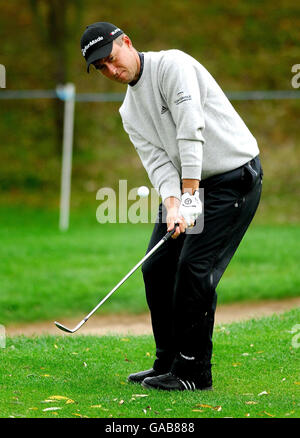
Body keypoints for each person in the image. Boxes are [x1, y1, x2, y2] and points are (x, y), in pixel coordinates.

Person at [80, 22, 263, 391]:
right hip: (189, 186)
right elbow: (159, 163)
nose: (112, 71)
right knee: (158, 266)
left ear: (127, 43)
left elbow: (190, 128)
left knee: (194, 269)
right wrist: (174, 204)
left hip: (233, 178)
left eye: (112, 59)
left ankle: (195, 371)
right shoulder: (129, 111)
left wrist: (190, 198)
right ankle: (167, 361)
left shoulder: (173, 66)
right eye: (101, 68)